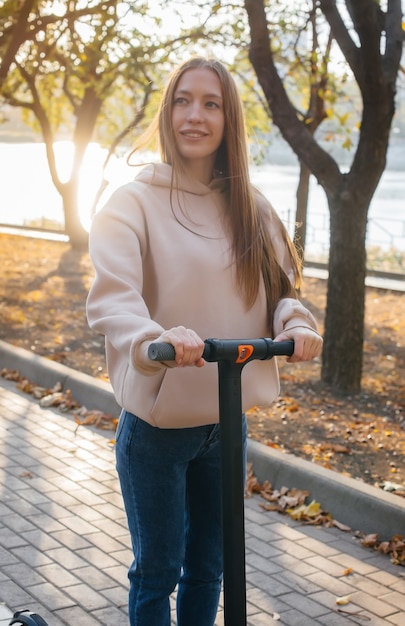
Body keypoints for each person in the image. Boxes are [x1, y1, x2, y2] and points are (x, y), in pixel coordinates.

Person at [86, 56, 323, 626]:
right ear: (167, 113)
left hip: (228, 417)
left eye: (211, 103)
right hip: (157, 425)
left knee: (211, 568)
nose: (195, 115)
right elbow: (114, 300)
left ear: (228, 119)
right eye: (182, 101)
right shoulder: (131, 202)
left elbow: (279, 292)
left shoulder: (251, 207)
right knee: (156, 571)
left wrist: (295, 322)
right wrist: (154, 338)